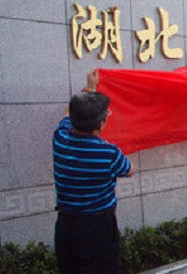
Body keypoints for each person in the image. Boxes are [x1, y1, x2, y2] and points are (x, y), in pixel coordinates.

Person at [53, 69, 135, 274]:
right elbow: (130, 169)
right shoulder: (108, 152)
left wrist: (90, 87)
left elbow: (65, 115)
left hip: (67, 225)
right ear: (101, 124)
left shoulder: (60, 138)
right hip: (98, 227)